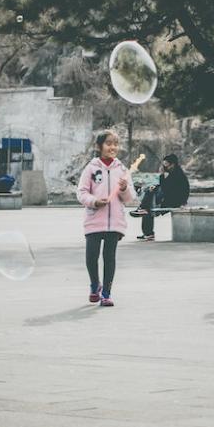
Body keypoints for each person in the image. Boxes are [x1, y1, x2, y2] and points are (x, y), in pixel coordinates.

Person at [76, 130, 137, 307]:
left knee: (109, 257)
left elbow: (129, 198)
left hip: (115, 222)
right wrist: (94, 201)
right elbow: (81, 192)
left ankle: (107, 293)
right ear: (99, 146)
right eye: (109, 143)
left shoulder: (122, 169)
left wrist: (125, 188)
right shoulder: (91, 168)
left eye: (116, 144)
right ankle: (95, 285)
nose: (113, 147)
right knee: (91, 256)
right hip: (94, 220)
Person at [131, 153, 190, 241]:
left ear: (172, 164)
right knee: (148, 202)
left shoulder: (177, 175)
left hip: (175, 201)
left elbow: (166, 189)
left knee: (148, 205)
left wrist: (162, 175)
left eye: (165, 164)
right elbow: (166, 187)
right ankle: (143, 213)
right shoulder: (174, 172)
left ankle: (148, 231)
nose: (164, 166)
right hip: (171, 198)